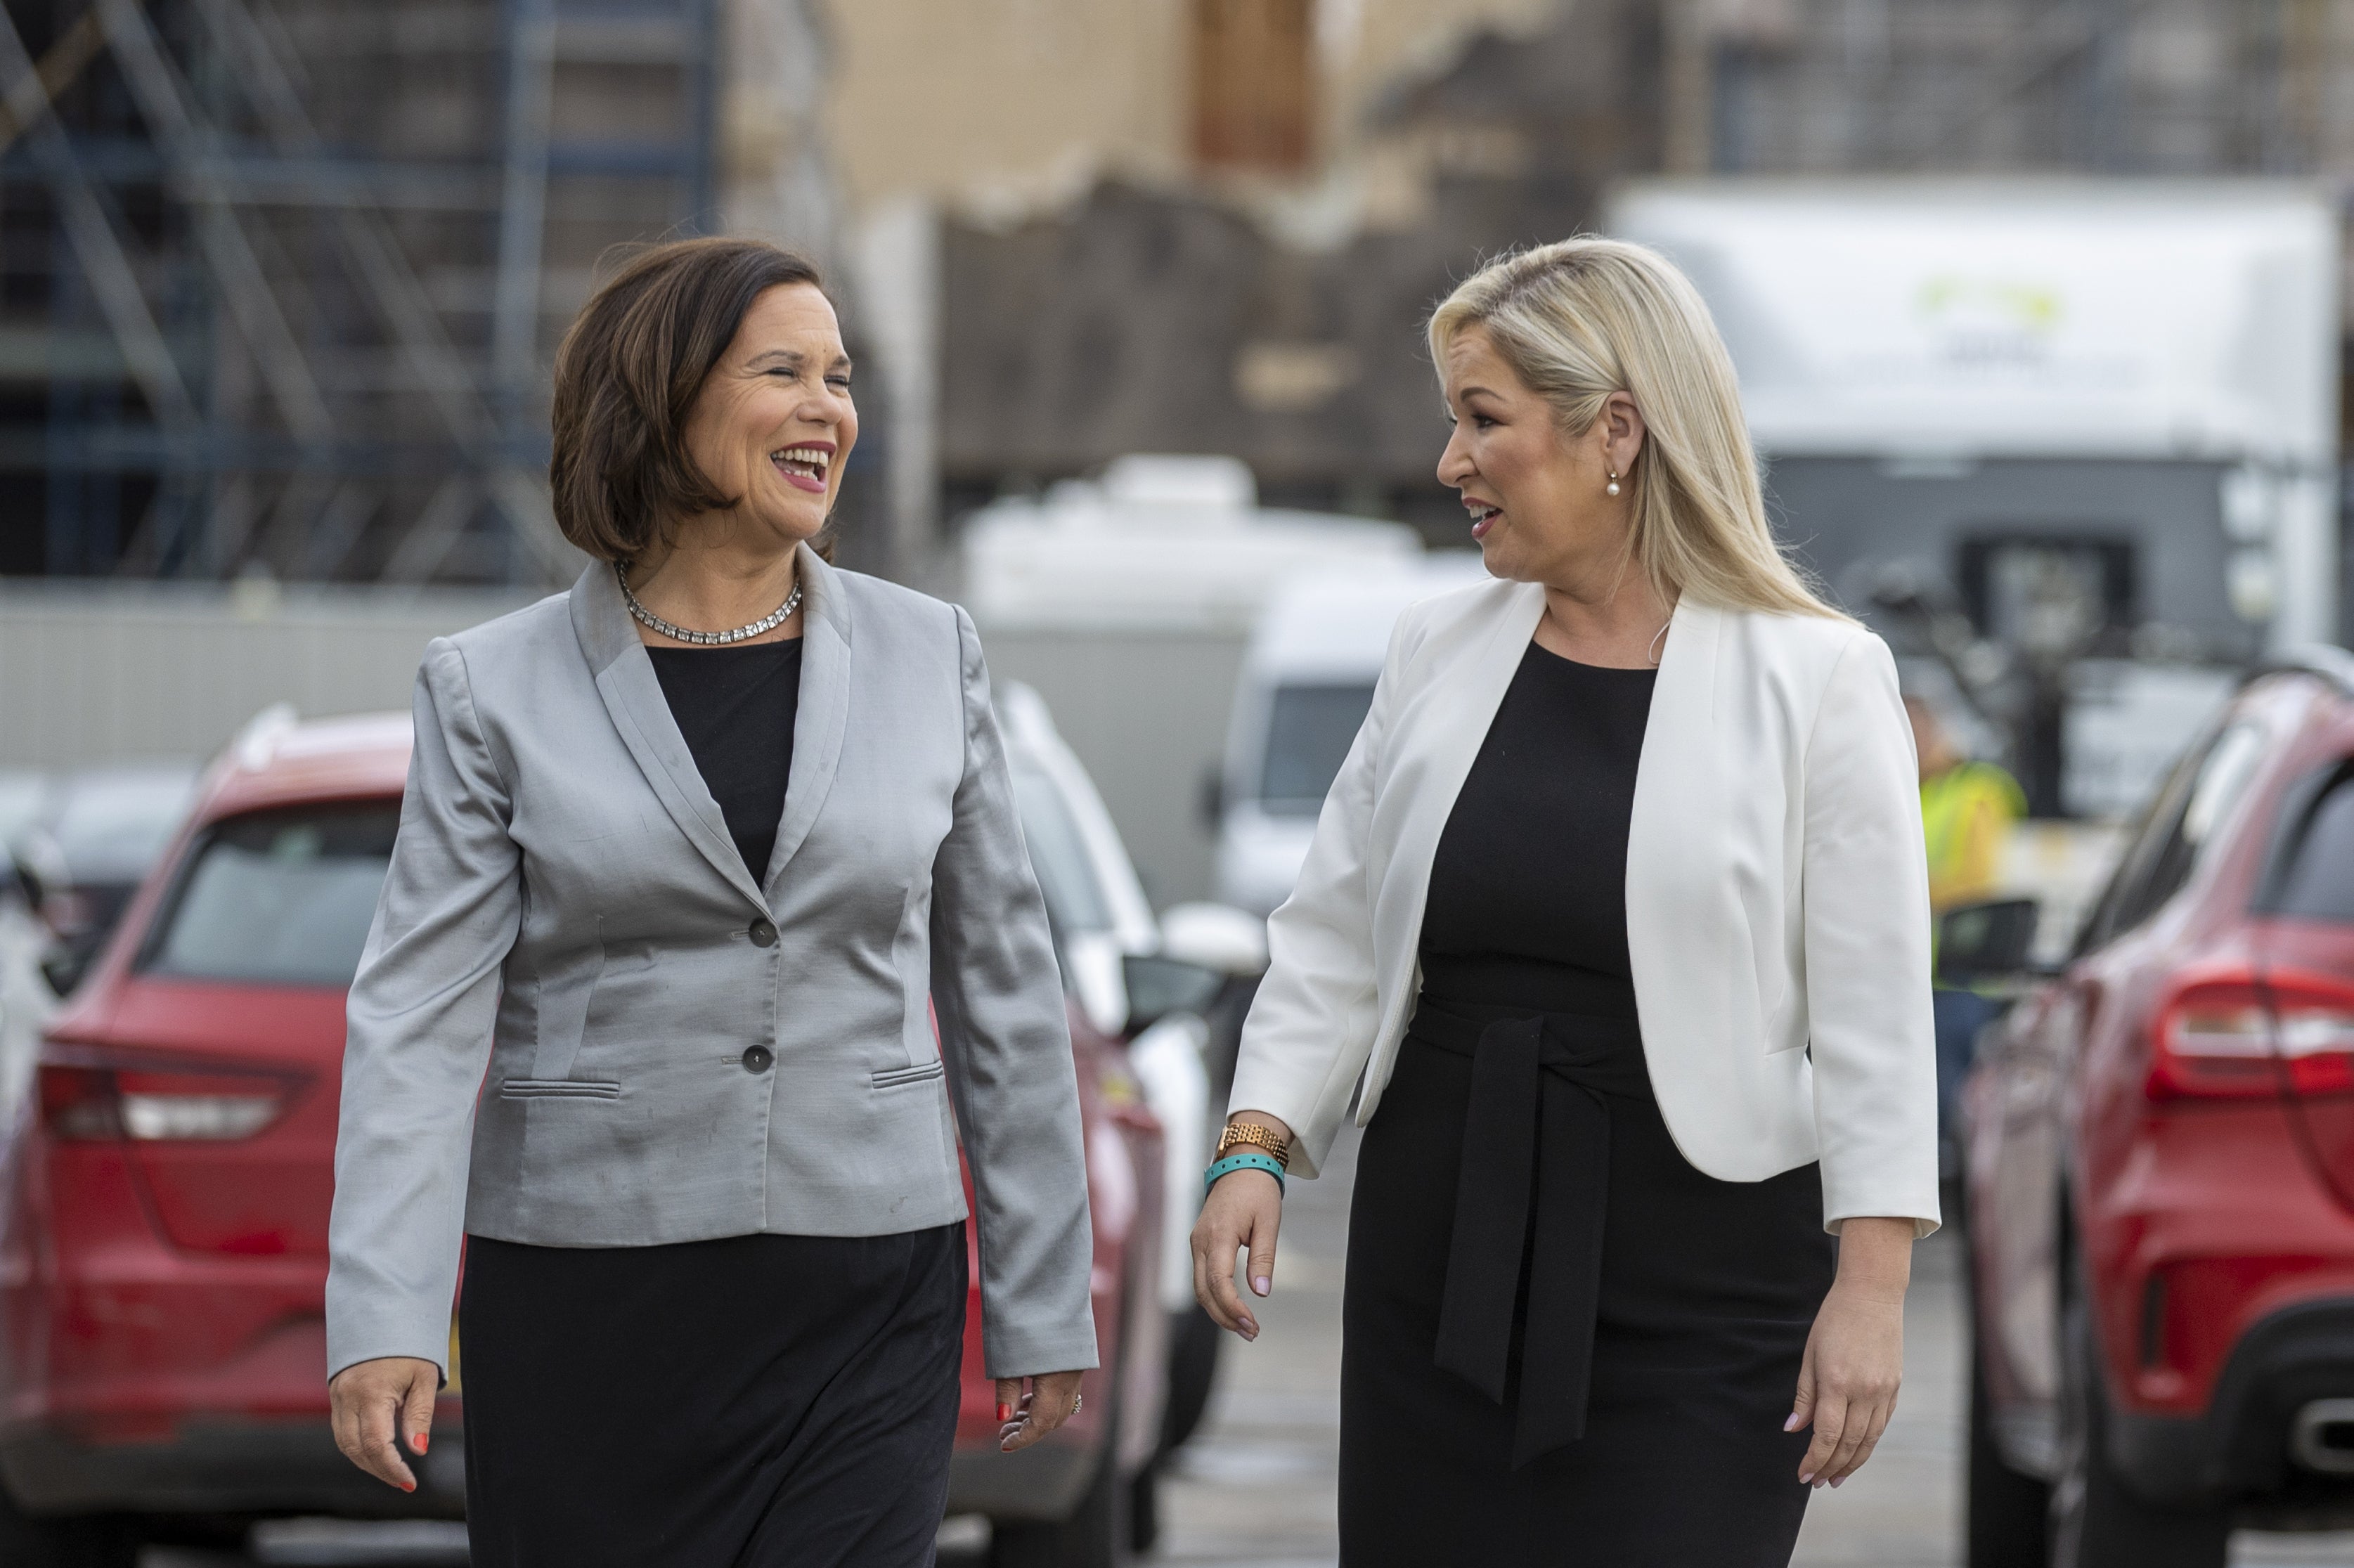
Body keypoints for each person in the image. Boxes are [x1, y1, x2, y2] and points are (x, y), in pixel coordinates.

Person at [322, 237, 1095, 1567]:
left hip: (868, 1286)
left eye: (839, 378)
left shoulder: (933, 654)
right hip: (587, 1294)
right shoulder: (488, 688)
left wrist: (1041, 1301)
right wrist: (385, 1310)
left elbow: (1004, 996)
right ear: (660, 399)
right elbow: (418, 1020)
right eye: (781, 371)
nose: (826, 409)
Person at [1191, 238, 1939, 1565]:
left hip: (1707, 1283)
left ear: (1616, 430)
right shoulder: (1435, 649)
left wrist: (1868, 1291)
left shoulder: (1818, 677)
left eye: (1482, 419)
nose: (1449, 463)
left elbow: (1875, 1013)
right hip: (1441, 1249)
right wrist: (1255, 1141)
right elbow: (1331, 934)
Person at [1907, 693, 2027, 1145]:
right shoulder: (1920, 790)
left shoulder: (1978, 788)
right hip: (1918, 977)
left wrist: (1898, 890)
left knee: (1946, 1102)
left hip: (1961, 975)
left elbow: (1976, 879)